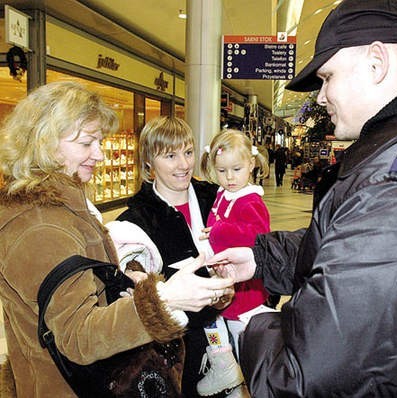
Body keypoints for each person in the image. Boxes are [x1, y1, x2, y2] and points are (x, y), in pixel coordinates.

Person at [207, 0, 397, 396]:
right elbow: (349, 243)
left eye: (327, 77)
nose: (320, 97)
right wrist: (261, 258)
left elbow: (301, 379)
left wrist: (255, 323)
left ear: (376, 62)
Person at [0, 82, 234, 397]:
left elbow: (79, 288)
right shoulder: (40, 226)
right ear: (44, 142)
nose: (98, 154)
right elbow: (79, 336)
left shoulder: (57, 206)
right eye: (86, 143)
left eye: (99, 142)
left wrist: (127, 280)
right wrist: (163, 301)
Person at [116, 116, 231, 398]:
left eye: (188, 152)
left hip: (228, 337)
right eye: (170, 155)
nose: (184, 165)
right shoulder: (135, 221)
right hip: (179, 353)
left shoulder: (218, 199)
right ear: (149, 163)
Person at [197, 130, 270, 397]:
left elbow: (258, 234)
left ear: (251, 164)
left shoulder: (250, 199)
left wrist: (216, 232)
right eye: (222, 170)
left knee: (245, 346)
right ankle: (223, 367)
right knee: (212, 323)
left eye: (236, 169)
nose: (229, 178)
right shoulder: (224, 193)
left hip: (245, 292)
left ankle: (247, 386)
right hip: (224, 284)